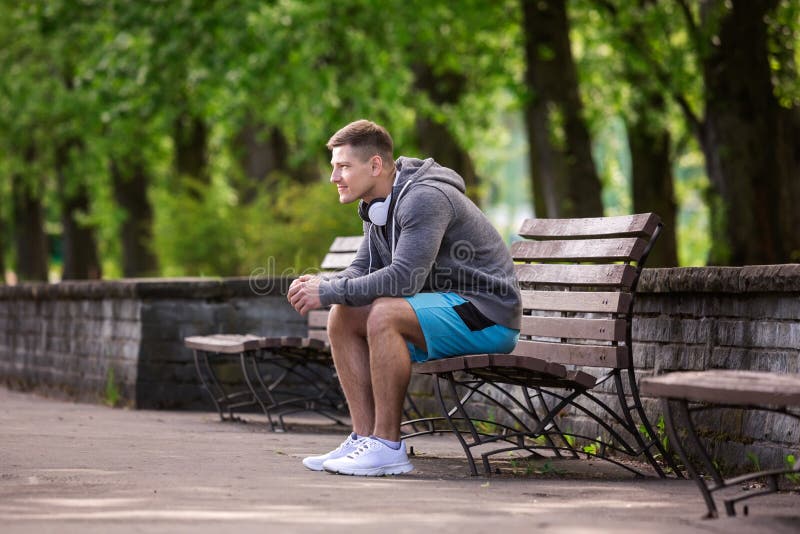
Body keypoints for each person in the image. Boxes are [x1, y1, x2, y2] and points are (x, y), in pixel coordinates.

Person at [287, 119, 521, 476]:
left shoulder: (425, 198)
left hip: (485, 315)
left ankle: (387, 446)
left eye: (344, 167)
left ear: (376, 165)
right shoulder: (377, 206)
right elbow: (361, 268)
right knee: (344, 314)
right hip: (444, 309)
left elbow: (404, 279)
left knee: (384, 312)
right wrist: (324, 285)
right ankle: (364, 437)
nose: (334, 177)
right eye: (334, 168)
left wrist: (329, 290)